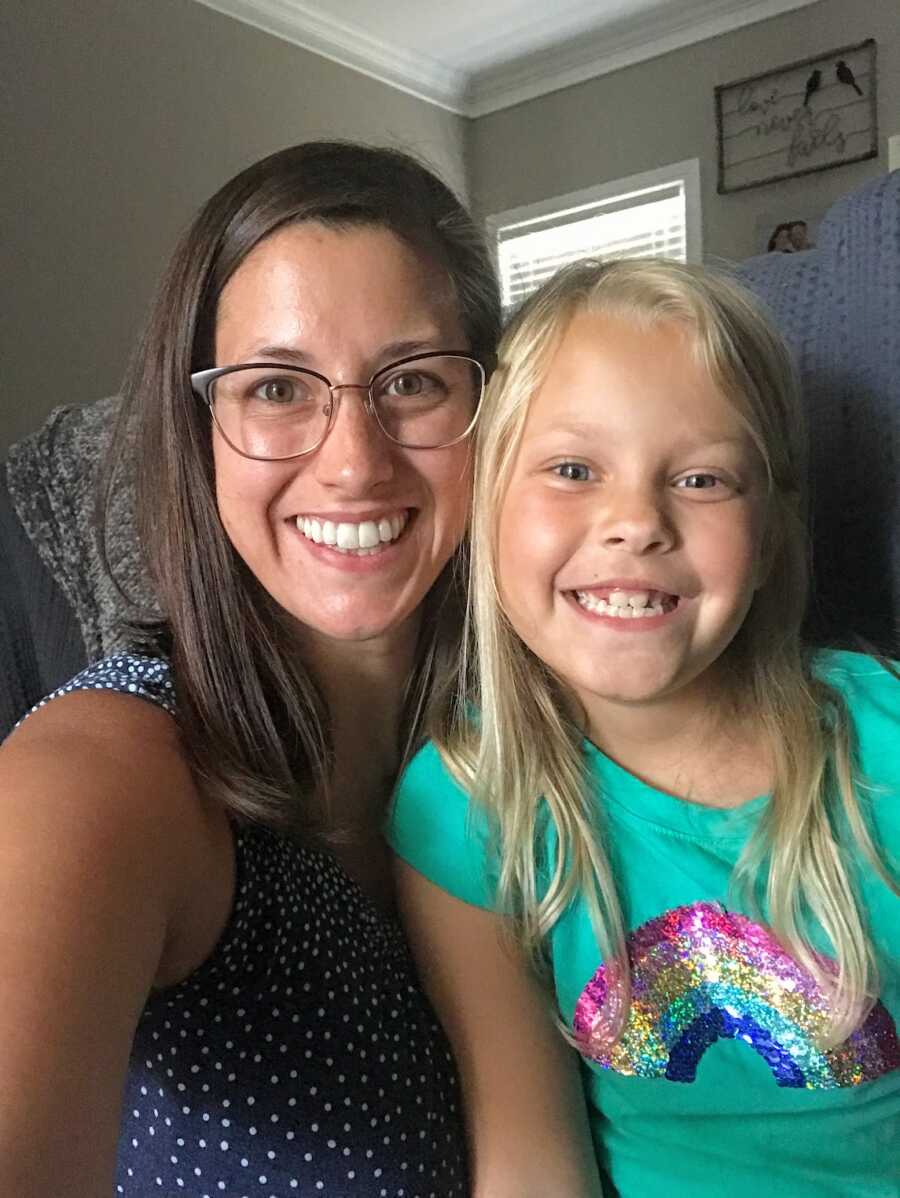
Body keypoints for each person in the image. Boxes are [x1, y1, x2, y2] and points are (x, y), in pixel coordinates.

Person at [0, 141, 501, 1196]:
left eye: (411, 381)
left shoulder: (537, 747)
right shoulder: (107, 776)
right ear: (202, 437)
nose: (354, 460)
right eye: (278, 386)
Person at [388, 259, 900, 1197]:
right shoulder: (463, 804)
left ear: (773, 533)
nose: (635, 522)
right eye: (573, 470)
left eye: (703, 478)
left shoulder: (883, 745)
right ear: (487, 505)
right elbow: (529, 1156)